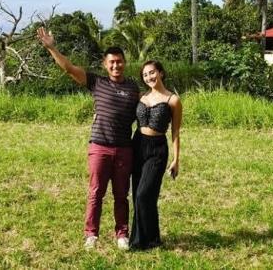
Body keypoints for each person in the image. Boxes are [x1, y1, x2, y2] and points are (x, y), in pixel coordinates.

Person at [36, 27, 139, 250]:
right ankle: (91, 234)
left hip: (124, 149)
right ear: (105, 64)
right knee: (96, 193)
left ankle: (122, 234)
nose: (115, 65)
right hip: (99, 147)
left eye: (119, 61)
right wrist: (51, 47)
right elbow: (69, 68)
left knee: (122, 195)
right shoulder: (97, 82)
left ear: (124, 62)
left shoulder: (133, 87)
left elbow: (147, 105)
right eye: (111, 62)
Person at [130, 60, 182, 250]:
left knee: (145, 194)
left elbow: (175, 131)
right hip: (137, 145)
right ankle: (139, 239)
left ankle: (151, 240)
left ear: (160, 72)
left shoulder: (173, 100)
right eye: (145, 75)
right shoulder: (141, 97)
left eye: (152, 73)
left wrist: (176, 159)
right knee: (136, 193)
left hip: (157, 149)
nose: (149, 77)